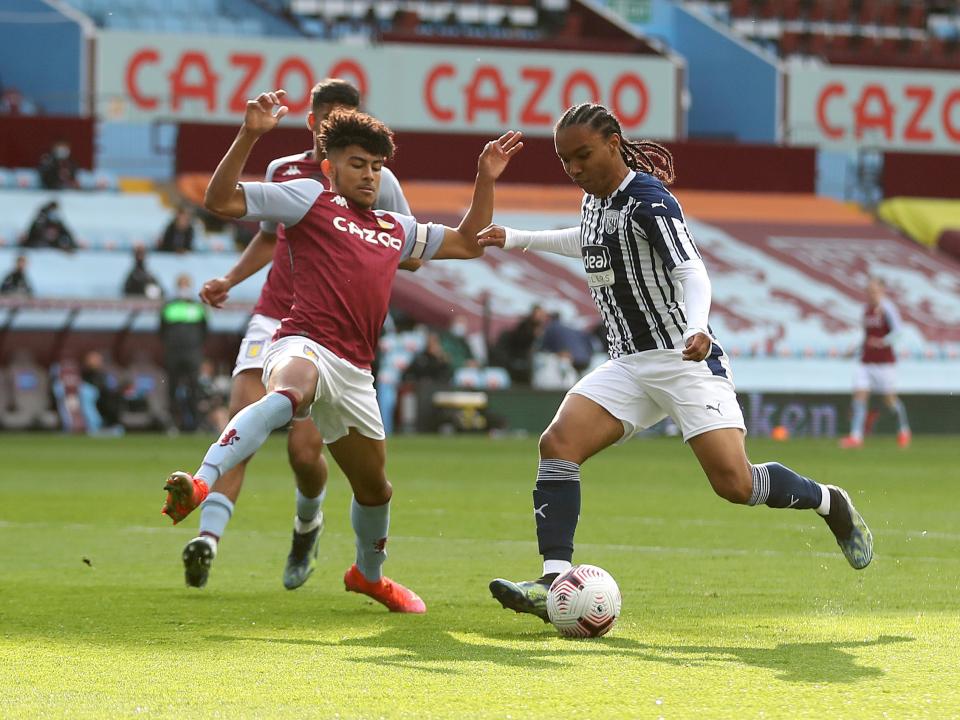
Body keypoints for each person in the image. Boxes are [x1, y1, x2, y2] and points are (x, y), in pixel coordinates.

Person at [477, 103, 873, 623]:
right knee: (558, 444)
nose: (574, 169)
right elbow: (589, 241)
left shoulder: (649, 201)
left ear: (614, 143)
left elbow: (691, 270)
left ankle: (829, 502)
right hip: (629, 363)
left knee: (736, 485)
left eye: (583, 156)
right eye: (565, 161)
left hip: (685, 359)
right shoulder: (597, 201)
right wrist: (519, 237)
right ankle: (552, 581)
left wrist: (697, 326)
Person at [161, 90, 522, 613]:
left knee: (376, 489)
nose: (370, 175)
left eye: (376, 166)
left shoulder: (395, 228)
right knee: (289, 391)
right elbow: (220, 202)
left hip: (355, 372)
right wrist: (249, 134)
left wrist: (486, 179)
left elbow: (468, 243)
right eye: (358, 164)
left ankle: (368, 576)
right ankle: (199, 483)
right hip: (301, 341)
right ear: (330, 166)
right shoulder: (307, 197)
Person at [160, 79, 420, 593]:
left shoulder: (377, 178)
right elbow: (264, 233)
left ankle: (307, 527)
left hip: (341, 330)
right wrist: (231, 279)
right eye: (331, 121)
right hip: (278, 314)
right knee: (248, 405)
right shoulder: (287, 173)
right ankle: (208, 536)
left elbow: (406, 246)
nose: (340, 131)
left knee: (305, 454)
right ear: (314, 124)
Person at [839, 277, 911, 449]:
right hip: (866, 361)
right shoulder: (866, 310)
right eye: (869, 291)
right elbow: (865, 336)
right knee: (859, 395)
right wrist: (854, 349)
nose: (871, 294)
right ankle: (856, 437)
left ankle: (904, 430)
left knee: (889, 400)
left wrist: (883, 342)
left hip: (884, 363)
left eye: (875, 291)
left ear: (882, 291)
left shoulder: (888, 309)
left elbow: (898, 332)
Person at [160, 274, 207, 431]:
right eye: (181, 284)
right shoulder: (169, 306)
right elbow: (161, 330)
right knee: (172, 389)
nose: (184, 287)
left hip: (192, 353)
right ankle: (173, 423)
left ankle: (195, 424)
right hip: (173, 353)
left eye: (186, 284)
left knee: (195, 388)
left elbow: (204, 331)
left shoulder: (198, 307)